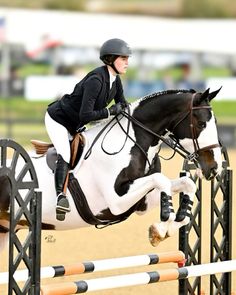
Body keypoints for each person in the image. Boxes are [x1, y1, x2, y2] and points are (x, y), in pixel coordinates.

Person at [45, 38, 131, 221]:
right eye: (123, 58)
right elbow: (86, 115)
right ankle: (61, 197)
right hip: (58, 120)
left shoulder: (115, 81)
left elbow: (123, 105)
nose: (127, 62)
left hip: (76, 124)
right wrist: (110, 111)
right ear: (110, 59)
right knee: (66, 154)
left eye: (127, 58)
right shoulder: (96, 80)